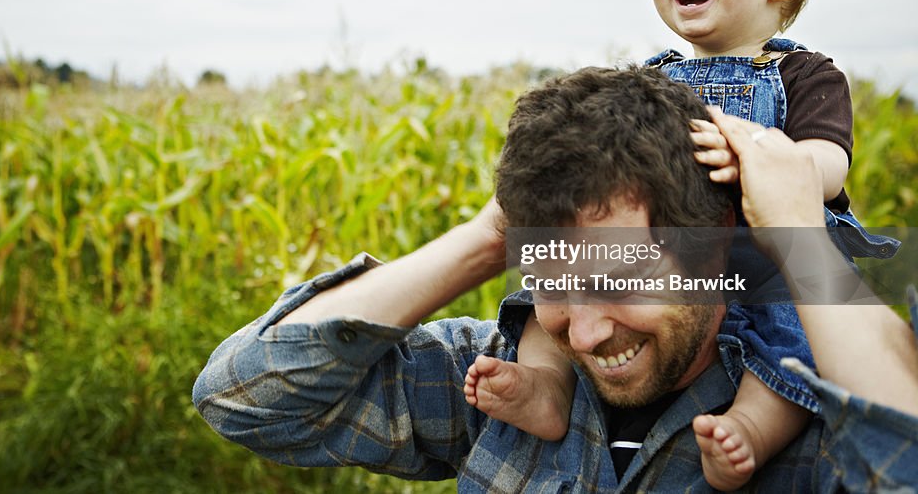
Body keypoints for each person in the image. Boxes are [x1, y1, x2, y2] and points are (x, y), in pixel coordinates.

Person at [192, 66, 918, 492]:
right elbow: (246, 397)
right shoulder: (498, 388)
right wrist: (483, 242)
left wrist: (799, 237)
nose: (588, 331)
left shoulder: (805, 418)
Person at [478, 0, 898, 490]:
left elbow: (831, 164)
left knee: (793, 338)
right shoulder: (652, 77)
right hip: (667, 259)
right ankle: (545, 387)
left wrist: (767, 163)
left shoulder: (803, 76)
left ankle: (751, 429)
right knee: (548, 297)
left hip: (769, 259)